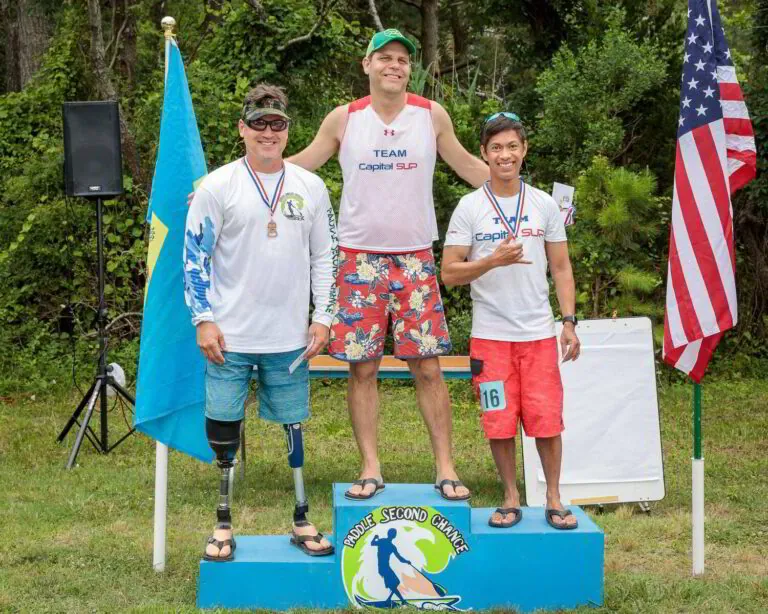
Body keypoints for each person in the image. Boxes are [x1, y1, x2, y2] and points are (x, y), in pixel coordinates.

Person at [288, 28, 490, 501]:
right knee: (362, 369)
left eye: (402, 59)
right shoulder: (344, 119)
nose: (394, 65)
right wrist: (234, 180)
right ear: (367, 65)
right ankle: (370, 467)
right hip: (359, 261)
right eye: (385, 58)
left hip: (416, 258)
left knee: (429, 367)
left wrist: (527, 196)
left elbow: (468, 166)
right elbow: (300, 167)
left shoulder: (431, 115)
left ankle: (445, 467)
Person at [184, 84, 338, 561]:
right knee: (224, 427)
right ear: (242, 129)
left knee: (293, 422)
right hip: (229, 337)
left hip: (290, 337)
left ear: (288, 129)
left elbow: (326, 256)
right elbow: (194, 257)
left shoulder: (311, 187)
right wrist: (203, 320)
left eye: (277, 124)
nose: (268, 133)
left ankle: (300, 514)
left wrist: (324, 317)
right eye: (259, 124)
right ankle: (223, 522)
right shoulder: (216, 186)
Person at [441, 112, 581, 529]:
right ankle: (510, 496)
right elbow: (449, 273)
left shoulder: (543, 204)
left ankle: (554, 497)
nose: (505, 155)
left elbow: (561, 268)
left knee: (546, 419)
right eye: (496, 148)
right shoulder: (469, 208)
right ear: (484, 153)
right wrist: (490, 261)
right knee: (498, 421)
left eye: (512, 147)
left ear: (524, 151)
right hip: (490, 338)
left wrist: (568, 322)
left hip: (538, 334)